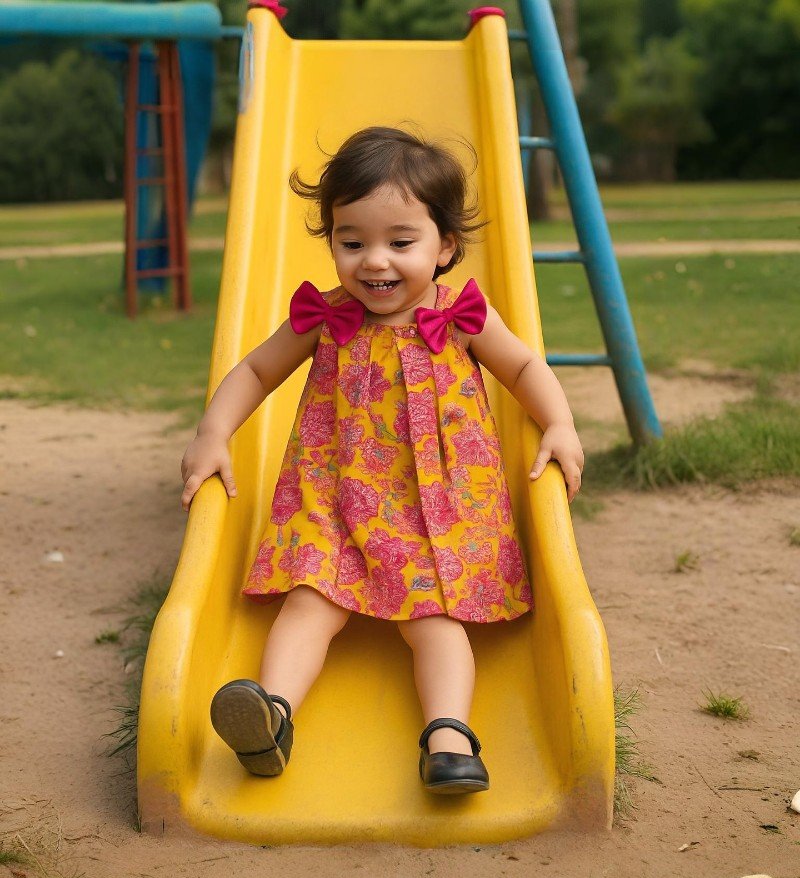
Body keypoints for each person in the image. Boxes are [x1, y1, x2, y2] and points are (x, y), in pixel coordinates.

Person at [180, 125, 584, 794]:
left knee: (433, 617)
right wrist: (213, 431)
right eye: (352, 242)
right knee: (309, 601)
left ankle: (449, 735)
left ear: (445, 245)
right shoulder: (327, 316)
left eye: (401, 243)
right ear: (333, 239)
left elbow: (520, 366)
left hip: (435, 508)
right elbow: (254, 370)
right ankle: (272, 715)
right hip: (336, 501)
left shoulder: (459, 316)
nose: (375, 262)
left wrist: (559, 423)